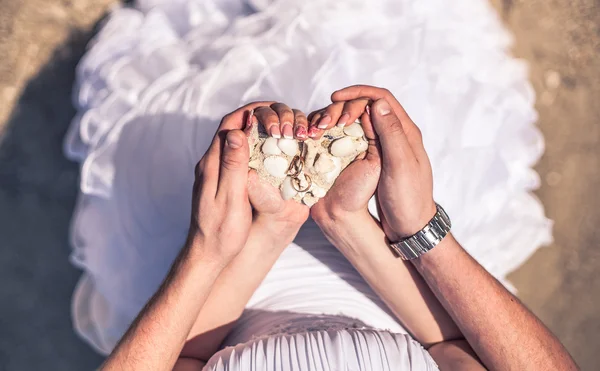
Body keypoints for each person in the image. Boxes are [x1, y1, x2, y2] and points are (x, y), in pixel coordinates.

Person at [64, 0, 568, 369]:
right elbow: (448, 346)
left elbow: (190, 355)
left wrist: (242, 237)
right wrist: (389, 223)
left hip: (229, 283)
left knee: (213, 123)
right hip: (399, 276)